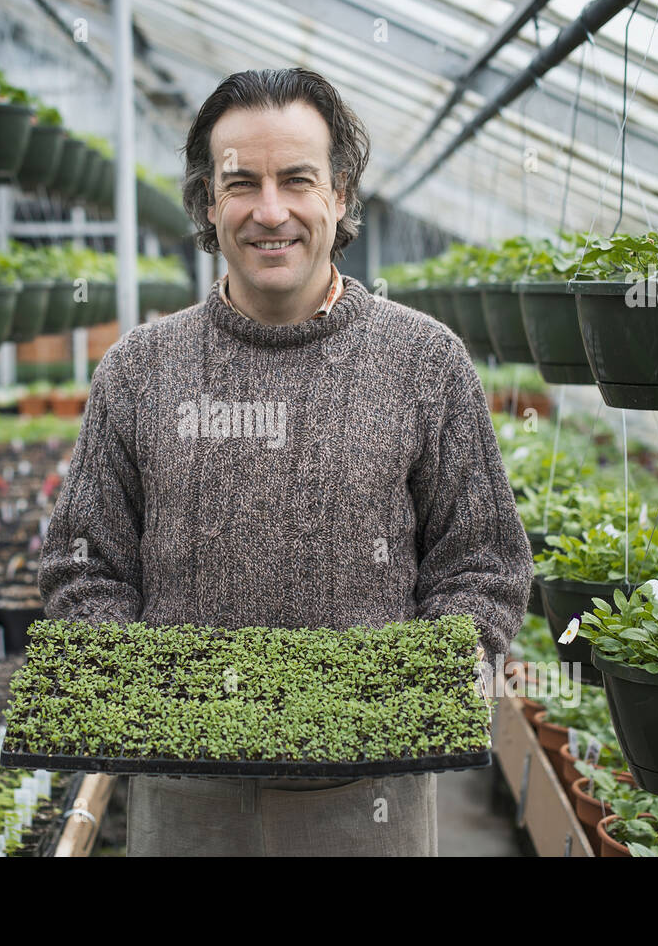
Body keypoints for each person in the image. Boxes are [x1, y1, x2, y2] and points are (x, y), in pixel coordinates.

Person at [37, 67, 532, 856]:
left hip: (370, 801)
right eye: (242, 184)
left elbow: (482, 561)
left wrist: (425, 681)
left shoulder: (424, 362)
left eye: (297, 180)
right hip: (184, 799)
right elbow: (82, 561)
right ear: (206, 202)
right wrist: (155, 693)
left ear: (339, 194)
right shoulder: (139, 370)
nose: (272, 212)